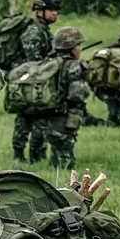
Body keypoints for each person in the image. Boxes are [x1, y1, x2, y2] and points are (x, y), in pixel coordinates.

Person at [12, 0, 61, 163]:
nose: (55, 13)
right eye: (51, 10)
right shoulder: (33, 30)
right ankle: (20, 155)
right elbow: (33, 61)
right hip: (27, 81)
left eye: (56, 10)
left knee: (37, 117)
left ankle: (36, 155)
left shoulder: (43, 29)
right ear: (40, 11)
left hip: (34, 80)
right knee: (26, 119)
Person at [43, 27, 90, 169]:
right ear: (70, 47)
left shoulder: (50, 62)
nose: (80, 49)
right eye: (78, 45)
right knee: (65, 154)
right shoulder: (74, 66)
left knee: (55, 150)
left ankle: (53, 171)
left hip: (49, 114)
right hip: (67, 115)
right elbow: (76, 94)